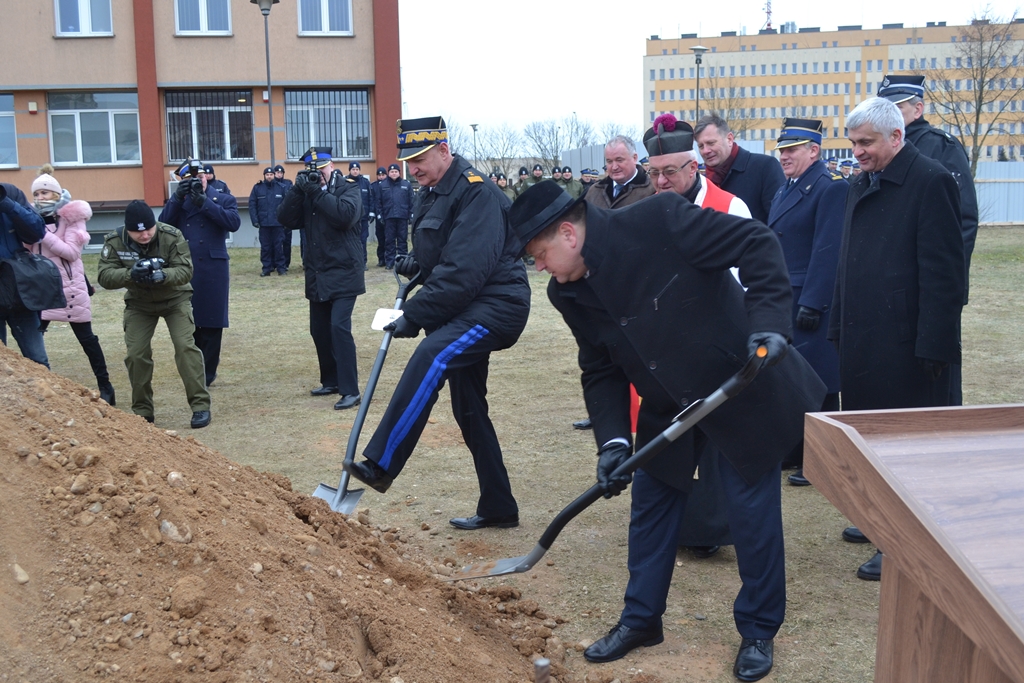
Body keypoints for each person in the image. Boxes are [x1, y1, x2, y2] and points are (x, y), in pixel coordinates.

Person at [511, 180, 824, 681]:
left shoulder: (659, 219)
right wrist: (613, 442)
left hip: (736, 386)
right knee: (650, 513)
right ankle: (641, 621)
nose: (541, 268)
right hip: (667, 407)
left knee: (751, 515)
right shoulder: (567, 293)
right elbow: (600, 369)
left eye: (540, 255)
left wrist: (768, 322)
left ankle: (759, 630)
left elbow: (756, 241)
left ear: (568, 233)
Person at [345, 116, 531, 532]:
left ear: (444, 151)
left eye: (419, 160)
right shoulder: (432, 192)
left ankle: (381, 463)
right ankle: (499, 506)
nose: (412, 169)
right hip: (462, 307)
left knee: (432, 356)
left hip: (495, 307)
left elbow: (464, 271)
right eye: (408, 162)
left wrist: (414, 316)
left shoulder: (477, 193)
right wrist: (417, 263)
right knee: (469, 408)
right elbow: (445, 251)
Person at [828, 97, 965, 582]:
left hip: (906, 345)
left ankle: (902, 542)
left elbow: (946, 275)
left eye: (866, 142)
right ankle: (878, 520)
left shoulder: (930, 180)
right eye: (853, 143)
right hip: (863, 336)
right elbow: (847, 261)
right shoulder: (861, 183)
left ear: (896, 137)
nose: (857, 152)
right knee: (871, 439)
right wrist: (837, 322)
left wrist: (935, 347)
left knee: (906, 447)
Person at [642, 113, 752, 559]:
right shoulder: (646, 211)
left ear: (694, 166)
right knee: (670, 439)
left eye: (670, 172)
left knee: (714, 442)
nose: (661, 182)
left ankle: (707, 529)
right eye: (653, 173)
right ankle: (671, 522)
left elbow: (746, 281)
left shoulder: (730, 206)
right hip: (666, 344)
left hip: (718, 341)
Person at [879, 73, 978, 405]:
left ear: (918, 109)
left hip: (930, 284)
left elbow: (962, 221)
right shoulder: (882, 148)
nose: (888, 114)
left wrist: (945, 285)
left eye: (896, 108)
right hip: (890, 285)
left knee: (936, 385)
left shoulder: (940, 147)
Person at [766, 119, 846, 486]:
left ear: (814, 151)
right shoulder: (786, 189)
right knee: (792, 379)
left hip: (812, 301)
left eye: (791, 150)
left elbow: (828, 250)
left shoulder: (829, 188)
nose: (783, 156)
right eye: (781, 151)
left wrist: (813, 302)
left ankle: (821, 460)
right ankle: (797, 450)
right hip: (788, 296)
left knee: (820, 383)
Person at [97, 200, 211, 428]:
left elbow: (185, 270)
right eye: (137, 232)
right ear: (127, 229)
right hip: (139, 303)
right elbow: (104, 275)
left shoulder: (171, 235)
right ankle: (142, 411)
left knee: (185, 347)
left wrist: (164, 275)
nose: (145, 235)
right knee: (136, 354)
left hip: (175, 299)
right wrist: (131, 274)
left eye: (149, 229)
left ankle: (200, 406)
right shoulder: (115, 240)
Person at [277, 146, 363, 410]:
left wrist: (316, 192)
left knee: (339, 328)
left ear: (332, 166)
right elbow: (285, 218)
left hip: (345, 271)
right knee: (320, 330)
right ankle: (331, 380)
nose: (318, 173)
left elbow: (345, 217)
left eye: (322, 168)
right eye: (311, 169)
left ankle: (350, 390)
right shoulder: (307, 191)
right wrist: (297, 190)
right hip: (318, 272)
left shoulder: (348, 189)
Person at [27, 167, 115, 404]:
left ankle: (106, 386)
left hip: (70, 289)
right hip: (41, 289)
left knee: (87, 339)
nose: (40, 198)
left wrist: (42, 233)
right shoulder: (32, 218)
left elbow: (71, 252)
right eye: (37, 194)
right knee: (32, 337)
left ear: (56, 194)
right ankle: (37, 386)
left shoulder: (71, 217)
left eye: (45, 193)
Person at [160, 159, 241, 387]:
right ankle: (194, 369)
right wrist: (177, 198)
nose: (198, 181)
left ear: (207, 177)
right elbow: (163, 225)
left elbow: (233, 223)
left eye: (201, 176)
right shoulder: (179, 202)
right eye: (191, 179)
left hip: (213, 268)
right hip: (186, 267)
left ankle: (208, 372)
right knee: (189, 321)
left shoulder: (222, 198)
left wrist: (204, 203)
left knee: (213, 321)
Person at [695, 114, 786, 224]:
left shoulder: (764, 167)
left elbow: (780, 221)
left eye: (711, 143)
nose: (705, 151)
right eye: (701, 146)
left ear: (729, 139)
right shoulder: (701, 181)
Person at [0, 181, 48, 367]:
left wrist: (8, 204)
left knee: (38, 360)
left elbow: (36, 233)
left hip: (19, 290)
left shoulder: (9, 192)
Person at [583, 135, 655, 209]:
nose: (614, 167)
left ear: (634, 158)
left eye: (619, 160)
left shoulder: (652, 190)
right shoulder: (594, 191)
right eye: (609, 161)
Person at [249, 167, 288, 276]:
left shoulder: (281, 188)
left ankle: (281, 268)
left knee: (278, 246)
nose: (269, 176)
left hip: (278, 223)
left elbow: (286, 205)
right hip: (264, 223)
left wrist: (286, 221)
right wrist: (255, 220)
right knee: (265, 247)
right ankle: (266, 268)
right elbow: (252, 204)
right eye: (267, 175)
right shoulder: (258, 188)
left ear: (274, 175)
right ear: (264, 176)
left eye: (271, 174)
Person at [377, 163, 413, 269]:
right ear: (388, 173)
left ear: (399, 173)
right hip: (388, 216)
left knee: (402, 240)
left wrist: (411, 214)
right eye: (392, 172)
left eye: (396, 171)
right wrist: (380, 215)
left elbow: (412, 201)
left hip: (402, 216)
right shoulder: (382, 185)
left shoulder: (406, 185)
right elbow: (378, 202)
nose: (394, 173)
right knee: (389, 240)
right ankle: (390, 262)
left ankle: (402, 261)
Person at [347, 161, 373, 271]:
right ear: (350, 170)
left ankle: (363, 262)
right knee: (351, 240)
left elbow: (371, 198)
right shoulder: (345, 182)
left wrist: (371, 212)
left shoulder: (365, 182)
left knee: (363, 240)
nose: (355, 171)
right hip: (350, 218)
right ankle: (351, 262)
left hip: (363, 218)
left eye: (357, 169)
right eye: (353, 169)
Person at [273, 165, 297, 270]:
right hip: (275, 218)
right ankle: (275, 263)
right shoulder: (271, 185)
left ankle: (286, 263)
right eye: (277, 173)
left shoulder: (288, 183)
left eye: (281, 173)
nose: (279, 174)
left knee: (287, 242)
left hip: (287, 217)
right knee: (276, 242)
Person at [369, 166, 388, 267]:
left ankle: (389, 258)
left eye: (383, 175)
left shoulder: (389, 184)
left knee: (389, 239)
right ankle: (381, 259)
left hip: (389, 214)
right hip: (378, 215)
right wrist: (372, 212)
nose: (381, 177)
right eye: (379, 175)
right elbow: (372, 200)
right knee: (380, 238)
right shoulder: (373, 186)